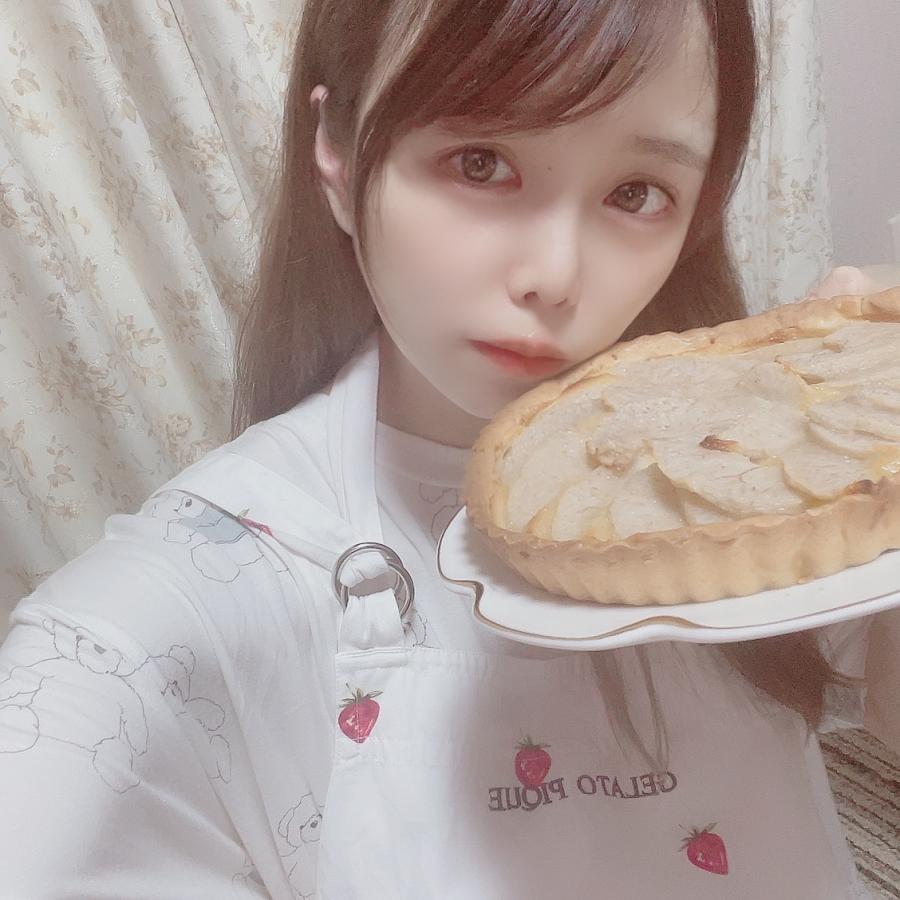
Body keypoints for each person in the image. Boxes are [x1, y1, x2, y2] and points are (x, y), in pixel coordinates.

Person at [0, 0, 896, 896]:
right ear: (338, 156)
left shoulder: (760, 478)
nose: (554, 275)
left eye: (636, 193)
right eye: (481, 162)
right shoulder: (188, 598)